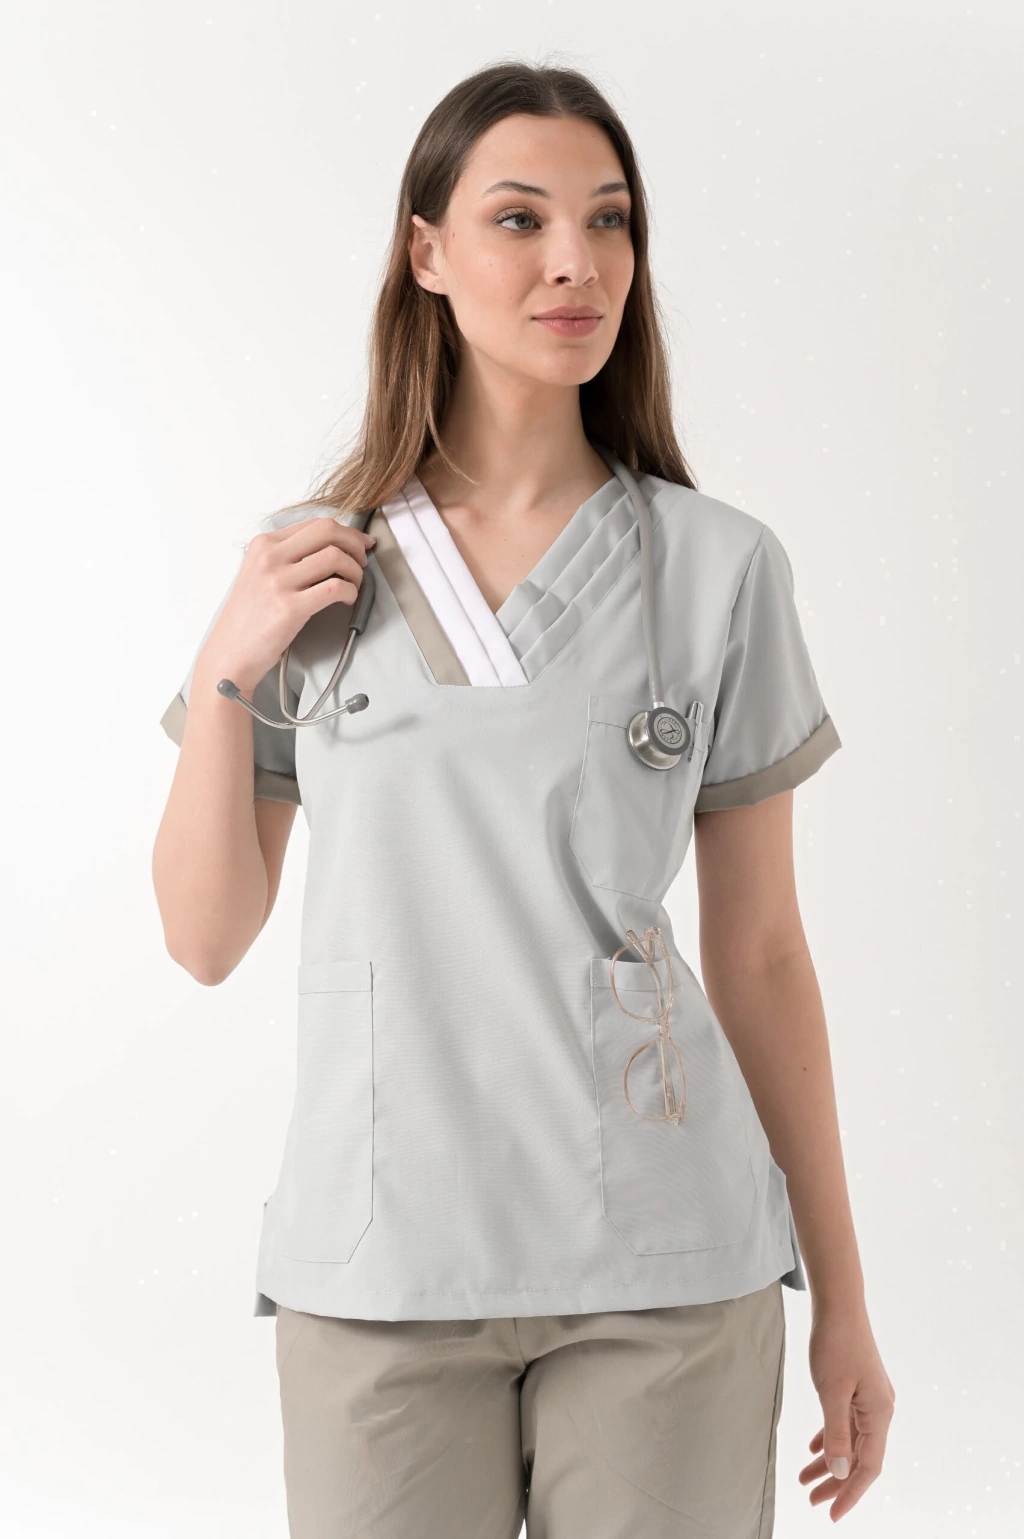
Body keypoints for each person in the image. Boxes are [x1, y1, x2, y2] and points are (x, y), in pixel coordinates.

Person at [152, 58, 894, 1539]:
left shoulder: (718, 567)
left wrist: (845, 1301)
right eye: (520, 218)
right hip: (381, 1268)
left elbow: (761, 956)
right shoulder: (311, 570)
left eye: (609, 220)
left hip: (666, 1264)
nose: (577, 260)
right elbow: (204, 935)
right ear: (425, 252)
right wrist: (224, 669)